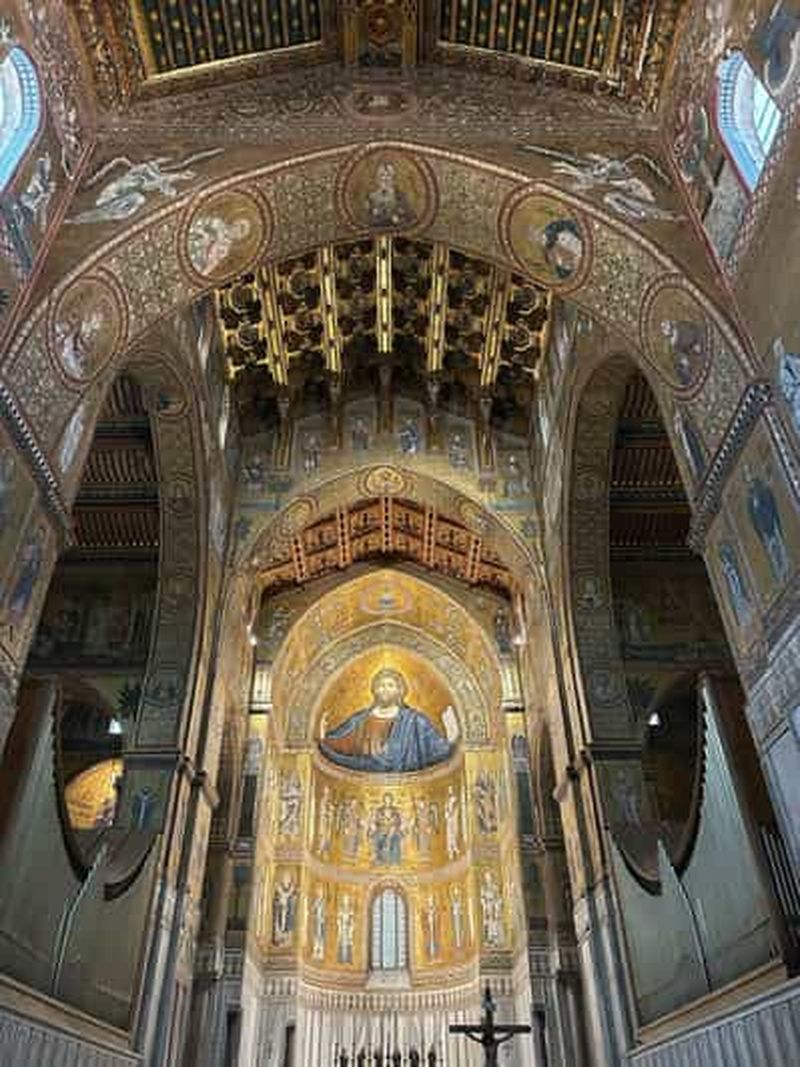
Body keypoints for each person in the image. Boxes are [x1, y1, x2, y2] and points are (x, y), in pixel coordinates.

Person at [319, 668, 454, 773]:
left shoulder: (414, 721)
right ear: (374, 690)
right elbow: (337, 744)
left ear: (399, 690)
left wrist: (452, 735)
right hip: (364, 779)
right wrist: (322, 735)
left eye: (390, 685)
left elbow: (439, 751)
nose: (385, 689)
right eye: (381, 685)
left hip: (410, 784)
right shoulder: (359, 720)